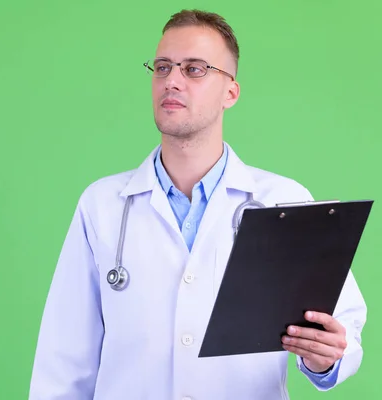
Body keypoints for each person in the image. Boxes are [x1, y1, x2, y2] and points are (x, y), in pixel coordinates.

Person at [28, 9, 367, 400]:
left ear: (231, 93)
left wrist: (325, 358)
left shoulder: (282, 200)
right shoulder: (102, 205)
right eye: (162, 67)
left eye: (194, 69)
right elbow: (64, 361)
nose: (171, 80)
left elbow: (342, 325)